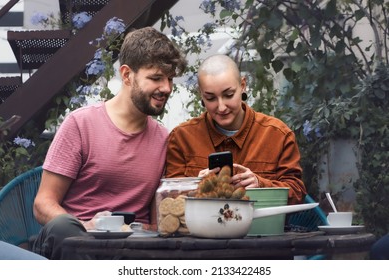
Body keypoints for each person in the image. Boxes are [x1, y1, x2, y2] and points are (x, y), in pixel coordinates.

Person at [32, 26, 187, 259]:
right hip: (77, 243)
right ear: (126, 75)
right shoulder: (81, 124)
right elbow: (43, 204)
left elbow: (160, 224)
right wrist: (85, 226)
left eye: (170, 79)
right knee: (62, 227)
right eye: (156, 78)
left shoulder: (164, 139)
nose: (166, 88)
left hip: (132, 251)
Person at [165, 54, 306, 204]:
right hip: (202, 227)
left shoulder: (277, 135)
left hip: (261, 226)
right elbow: (170, 200)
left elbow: (297, 192)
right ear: (201, 94)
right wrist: (197, 186)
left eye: (228, 95)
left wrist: (260, 184)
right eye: (210, 98)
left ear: (243, 85)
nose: (221, 107)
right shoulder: (182, 138)